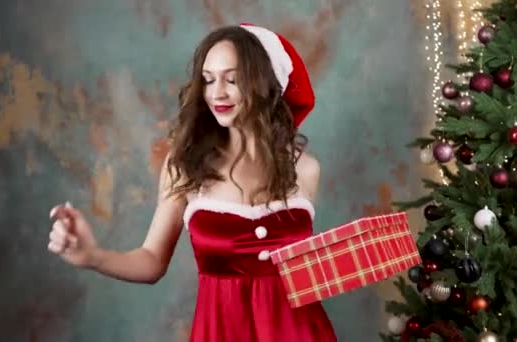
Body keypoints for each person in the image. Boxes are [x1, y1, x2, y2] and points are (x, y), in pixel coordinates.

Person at [47, 23, 337, 342]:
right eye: (208, 79)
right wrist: (93, 256)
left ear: (266, 84)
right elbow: (152, 261)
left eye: (233, 78)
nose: (217, 93)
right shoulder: (185, 165)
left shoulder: (307, 170)